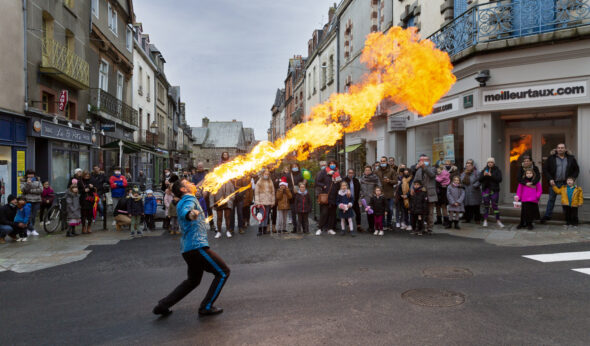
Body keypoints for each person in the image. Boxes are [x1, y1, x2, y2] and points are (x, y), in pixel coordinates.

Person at [153, 179, 230, 317]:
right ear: (183, 189)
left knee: (193, 281)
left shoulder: (188, 198)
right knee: (223, 272)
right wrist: (190, 214)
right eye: (187, 182)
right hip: (196, 247)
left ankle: (163, 305)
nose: (192, 183)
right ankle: (206, 306)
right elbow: (185, 211)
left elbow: (198, 195)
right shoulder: (188, 199)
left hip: (188, 249)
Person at [541, 143, 580, 223]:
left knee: (566, 200)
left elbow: (576, 170)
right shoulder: (551, 158)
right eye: (558, 148)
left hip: (566, 184)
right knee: (551, 199)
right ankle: (547, 216)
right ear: (556, 149)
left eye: (562, 148)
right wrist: (550, 179)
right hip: (554, 183)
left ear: (565, 149)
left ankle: (567, 217)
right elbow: (545, 170)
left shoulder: (571, 158)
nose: (560, 149)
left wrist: (571, 179)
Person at [412, 155, 437, 235]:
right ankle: (420, 227)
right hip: (420, 194)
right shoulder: (418, 170)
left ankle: (429, 228)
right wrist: (412, 188)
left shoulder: (433, 168)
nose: (422, 162)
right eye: (421, 160)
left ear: (428, 161)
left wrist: (424, 167)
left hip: (430, 193)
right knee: (420, 212)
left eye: (424, 160)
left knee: (430, 212)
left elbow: (432, 175)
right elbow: (415, 180)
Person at [479, 157, 504, 228]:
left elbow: (499, 179)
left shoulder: (497, 170)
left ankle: (498, 220)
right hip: (486, 190)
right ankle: (485, 220)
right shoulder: (484, 170)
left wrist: (491, 175)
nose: (490, 163)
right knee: (486, 205)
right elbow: (479, 180)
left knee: (494, 205)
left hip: (494, 190)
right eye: (489, 162)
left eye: (491, 162)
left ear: (494, 163)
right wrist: (484, 175)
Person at [375, 156, 396, 230]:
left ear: (386, 162)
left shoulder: (392, 170)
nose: (382, 163)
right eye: (381, 161)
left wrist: (389, 181)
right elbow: (375, 181)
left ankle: (389, 224)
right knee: (382, 210)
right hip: (381, 194)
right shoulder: (377, 171)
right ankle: (383, 224)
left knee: (390, 209)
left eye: (384, 161)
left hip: (389, 193)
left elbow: (395, 181)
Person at [20, 169, 43, 236]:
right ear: (26, 175)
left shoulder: (37, 180)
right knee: (28, 216)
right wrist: (28, 184)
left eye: (32, 174)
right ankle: (31, 229)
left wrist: (31, 191)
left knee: (33, 216)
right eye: (29, 174)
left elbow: (41, 190)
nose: (30, 175)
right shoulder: (23, 181)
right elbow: (23, 190)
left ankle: (30, 229)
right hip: (27, 200)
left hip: (36, 200)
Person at [359, 166, 381, 234]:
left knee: (374, 213)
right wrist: (360, 197)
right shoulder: (362, 178)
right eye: (366, 170)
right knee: (368, 213)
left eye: (369, 170)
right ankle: (370, 227)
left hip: (373, 198)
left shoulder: (375, 178)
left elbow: (379, 186)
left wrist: (375, 193)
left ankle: (376, 227)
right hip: (365, 198)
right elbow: (360, 189)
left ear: (371, 171)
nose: (367, 171)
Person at [254, 169, 275, 236]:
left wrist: (272, 201)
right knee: (261, 216)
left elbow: (273, 192)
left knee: (266, 216)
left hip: (268, 201)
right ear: (263, 174)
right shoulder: (259, 182)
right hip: (261, 202)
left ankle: (265, 228)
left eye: (268, 174)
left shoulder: (270, 181)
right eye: (265, 174)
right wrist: (257, 202)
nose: (266, 175)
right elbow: (256, 193)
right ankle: (260, 229)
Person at [285, 163, 303, 233]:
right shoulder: (288, 175)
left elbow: (304, 184)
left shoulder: (301, 174)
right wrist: (292, 189)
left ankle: (300, 227)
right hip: (292, 196)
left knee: (300, 212)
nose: (295, 167)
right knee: (293, 212)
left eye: (296, 166)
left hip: (300, 196)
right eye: (293, 166)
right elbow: (286, 186)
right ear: (291, 167)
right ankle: (295, 227)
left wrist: (301, 185)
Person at [315, 161, 332, 235]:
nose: (323, 166)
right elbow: (317, 183)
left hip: (331, 194)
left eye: (325, 165)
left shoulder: (331, 172)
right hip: (323, 195)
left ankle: (328, 227)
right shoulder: (320, 173)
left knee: (330, 212)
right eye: (322, 165)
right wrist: (323, 186)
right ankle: (320, 227)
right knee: (324, 212)